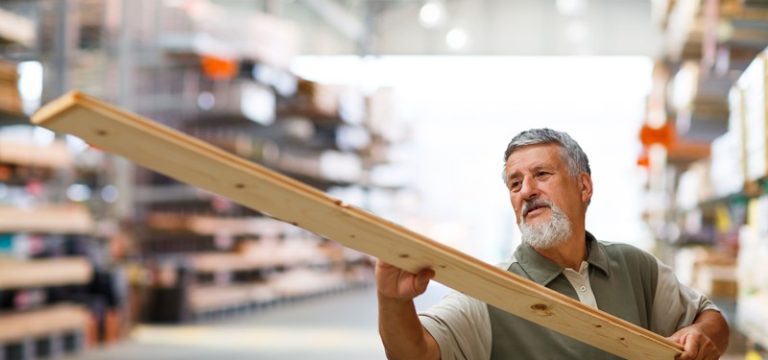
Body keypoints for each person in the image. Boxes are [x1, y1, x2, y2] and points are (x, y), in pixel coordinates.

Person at [376, 128, 729, 360]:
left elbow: (711, 317)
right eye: (515, 184)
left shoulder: (637, 268)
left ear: (584, 187)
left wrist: (698, 334)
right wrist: (393, 301)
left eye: (541, 175)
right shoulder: (489, 293)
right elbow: (415, 353)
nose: (526, 190)